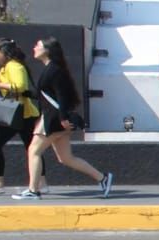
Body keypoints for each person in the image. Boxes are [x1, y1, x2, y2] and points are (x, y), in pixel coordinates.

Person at [15, 37, 112, 200]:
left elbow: (62, 96)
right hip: (56, 118)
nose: (34, 48)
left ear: (47, 50)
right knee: (66, 158)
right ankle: (103, 178)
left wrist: (63, 118)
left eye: (38, 45)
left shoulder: (54, 70)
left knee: (34, 151)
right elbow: (47, 95)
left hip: (54, 119)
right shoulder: (52, 68)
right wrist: (24, 93)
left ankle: (33, 190)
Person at [0, 38, 39, 195]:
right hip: (22, 113)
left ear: (4, 52)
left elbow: (20, 86)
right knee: (32, 148)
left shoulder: (14, 66)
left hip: (17, 113)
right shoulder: (8, 67)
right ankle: (42, 183)